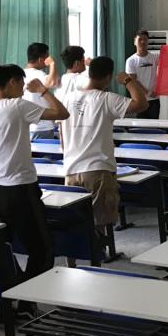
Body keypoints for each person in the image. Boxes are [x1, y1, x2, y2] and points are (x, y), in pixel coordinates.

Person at [0, 64, 69, 290]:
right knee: (42, 249)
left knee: (2, 247)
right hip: (21, 190)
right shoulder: (17, 106)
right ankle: (26, 299)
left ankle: (7, 300)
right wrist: (43, 91)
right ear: (12, 82)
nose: (23, 90)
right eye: (22, 84)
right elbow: (62, 113)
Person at [60, 57, 147, 251]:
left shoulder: (68, 98)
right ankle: (95, 259)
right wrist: (128, 80)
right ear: (108, 77)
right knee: (98, 222)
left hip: (71, 168)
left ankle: (76, 261)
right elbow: (142, 104)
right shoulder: (106, 99)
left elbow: (61, 132)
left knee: (75, 222)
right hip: (98, 170)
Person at [24, 42, 58, 140]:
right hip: (41, 127)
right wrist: (52, 64)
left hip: (27, 126)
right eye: (47, 57)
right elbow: (51, 83)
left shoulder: (21, 74)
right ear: (40, 60)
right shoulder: (38, 74)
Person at [126, 30, 161, 120]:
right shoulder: (131, 60)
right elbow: (133, 81)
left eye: (145, 39)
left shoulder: (155, 57)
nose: (143, 42)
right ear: (135, 42)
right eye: (140, 39)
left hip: (154, 100)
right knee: (140, 126)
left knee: (154, 125)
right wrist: (148, 92)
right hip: (139, 100)